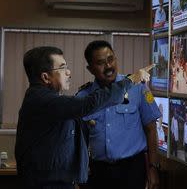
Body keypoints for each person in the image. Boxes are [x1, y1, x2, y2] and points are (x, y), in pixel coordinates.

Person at [15, 46, 150, 189]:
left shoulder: (45, 98)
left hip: (126, 171)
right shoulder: (42, 100)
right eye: (62, 68)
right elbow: (87, 104)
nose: (68, 72)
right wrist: (131, 80)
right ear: (45, 77)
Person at [76, 40, 161, 189]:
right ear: (90, 69)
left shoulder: (137, 88)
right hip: (98, 172)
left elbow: (151, 129)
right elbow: (80, 139)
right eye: (101, 63)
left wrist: (153, 167)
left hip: (132, 170)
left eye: (110, 59)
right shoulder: (83, 98)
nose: (108, 66)